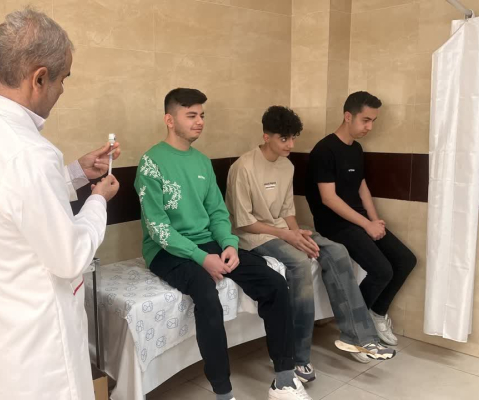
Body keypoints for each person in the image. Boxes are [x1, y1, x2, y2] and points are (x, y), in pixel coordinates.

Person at [0, 8, 121, 400]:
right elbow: (69, 256)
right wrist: (98, 200)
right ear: (39, 78)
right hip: (39, 349)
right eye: (63, 79)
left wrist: (77, 172)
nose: (62, 90)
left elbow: (7, 201)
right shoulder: (27, 152)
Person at [134, 88, 311, 400]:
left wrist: (229, 244)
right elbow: (158, 228)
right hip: (165, 251)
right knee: (206, 293)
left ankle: (284, 379)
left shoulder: (202, 162)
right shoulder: (151, 163)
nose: (200, 121)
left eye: (202, 115)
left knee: (273, 282)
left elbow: (217, 212)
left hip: (208, 242)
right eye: (191, 115)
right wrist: (201, 258)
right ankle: (223, 392)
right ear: (169, 120)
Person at [225, 106, 396, 378]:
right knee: (299, 262)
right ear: (266, 136)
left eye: (293, 138)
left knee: (336, 251)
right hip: (252, 236)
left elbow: (287, 211)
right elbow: (244, 222)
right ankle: (297, 355)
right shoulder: (243, 167)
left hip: (283, 229)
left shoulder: (287, 165)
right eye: (284, 139)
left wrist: (298, 234)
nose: (291, 145)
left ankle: (358, 337)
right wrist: (289, 237)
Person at [305, 91, 417, 346]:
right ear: (348, 116)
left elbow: (361, 187)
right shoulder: (324, 150)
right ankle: (357, 326)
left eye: (373, 121)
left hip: (359, 221)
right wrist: (366, 224)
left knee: (406, 260)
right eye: (365, 120)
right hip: (334, 224)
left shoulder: (356, 149)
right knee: (382, 270)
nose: (370, 127)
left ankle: (375, 313)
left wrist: (375, 222)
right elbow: (328, 199)